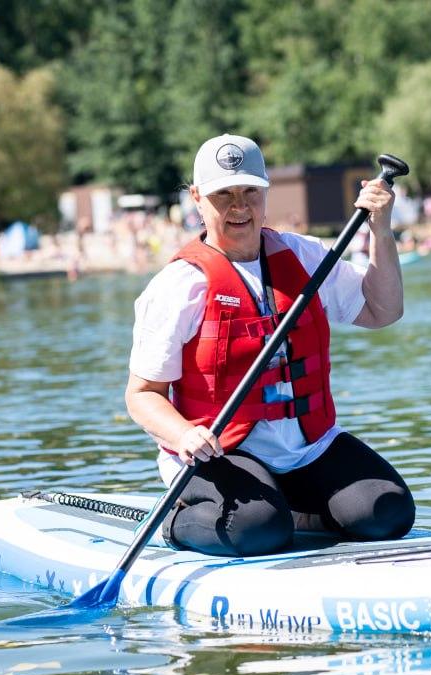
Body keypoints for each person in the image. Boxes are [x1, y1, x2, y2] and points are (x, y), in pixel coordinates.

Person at [125, 134, 415, 557]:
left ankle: (289, 513)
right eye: (223, 194)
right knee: (256, 528)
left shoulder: (304, 256)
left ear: (265, 193)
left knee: (387, 512)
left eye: (249, 192)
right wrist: (184, 434)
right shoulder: (178, 286)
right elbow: (142, 395)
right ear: (197, 198)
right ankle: (176, 521)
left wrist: (380, 232)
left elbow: (381, 311)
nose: (239, 206)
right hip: (221, 452)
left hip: (306, 449)